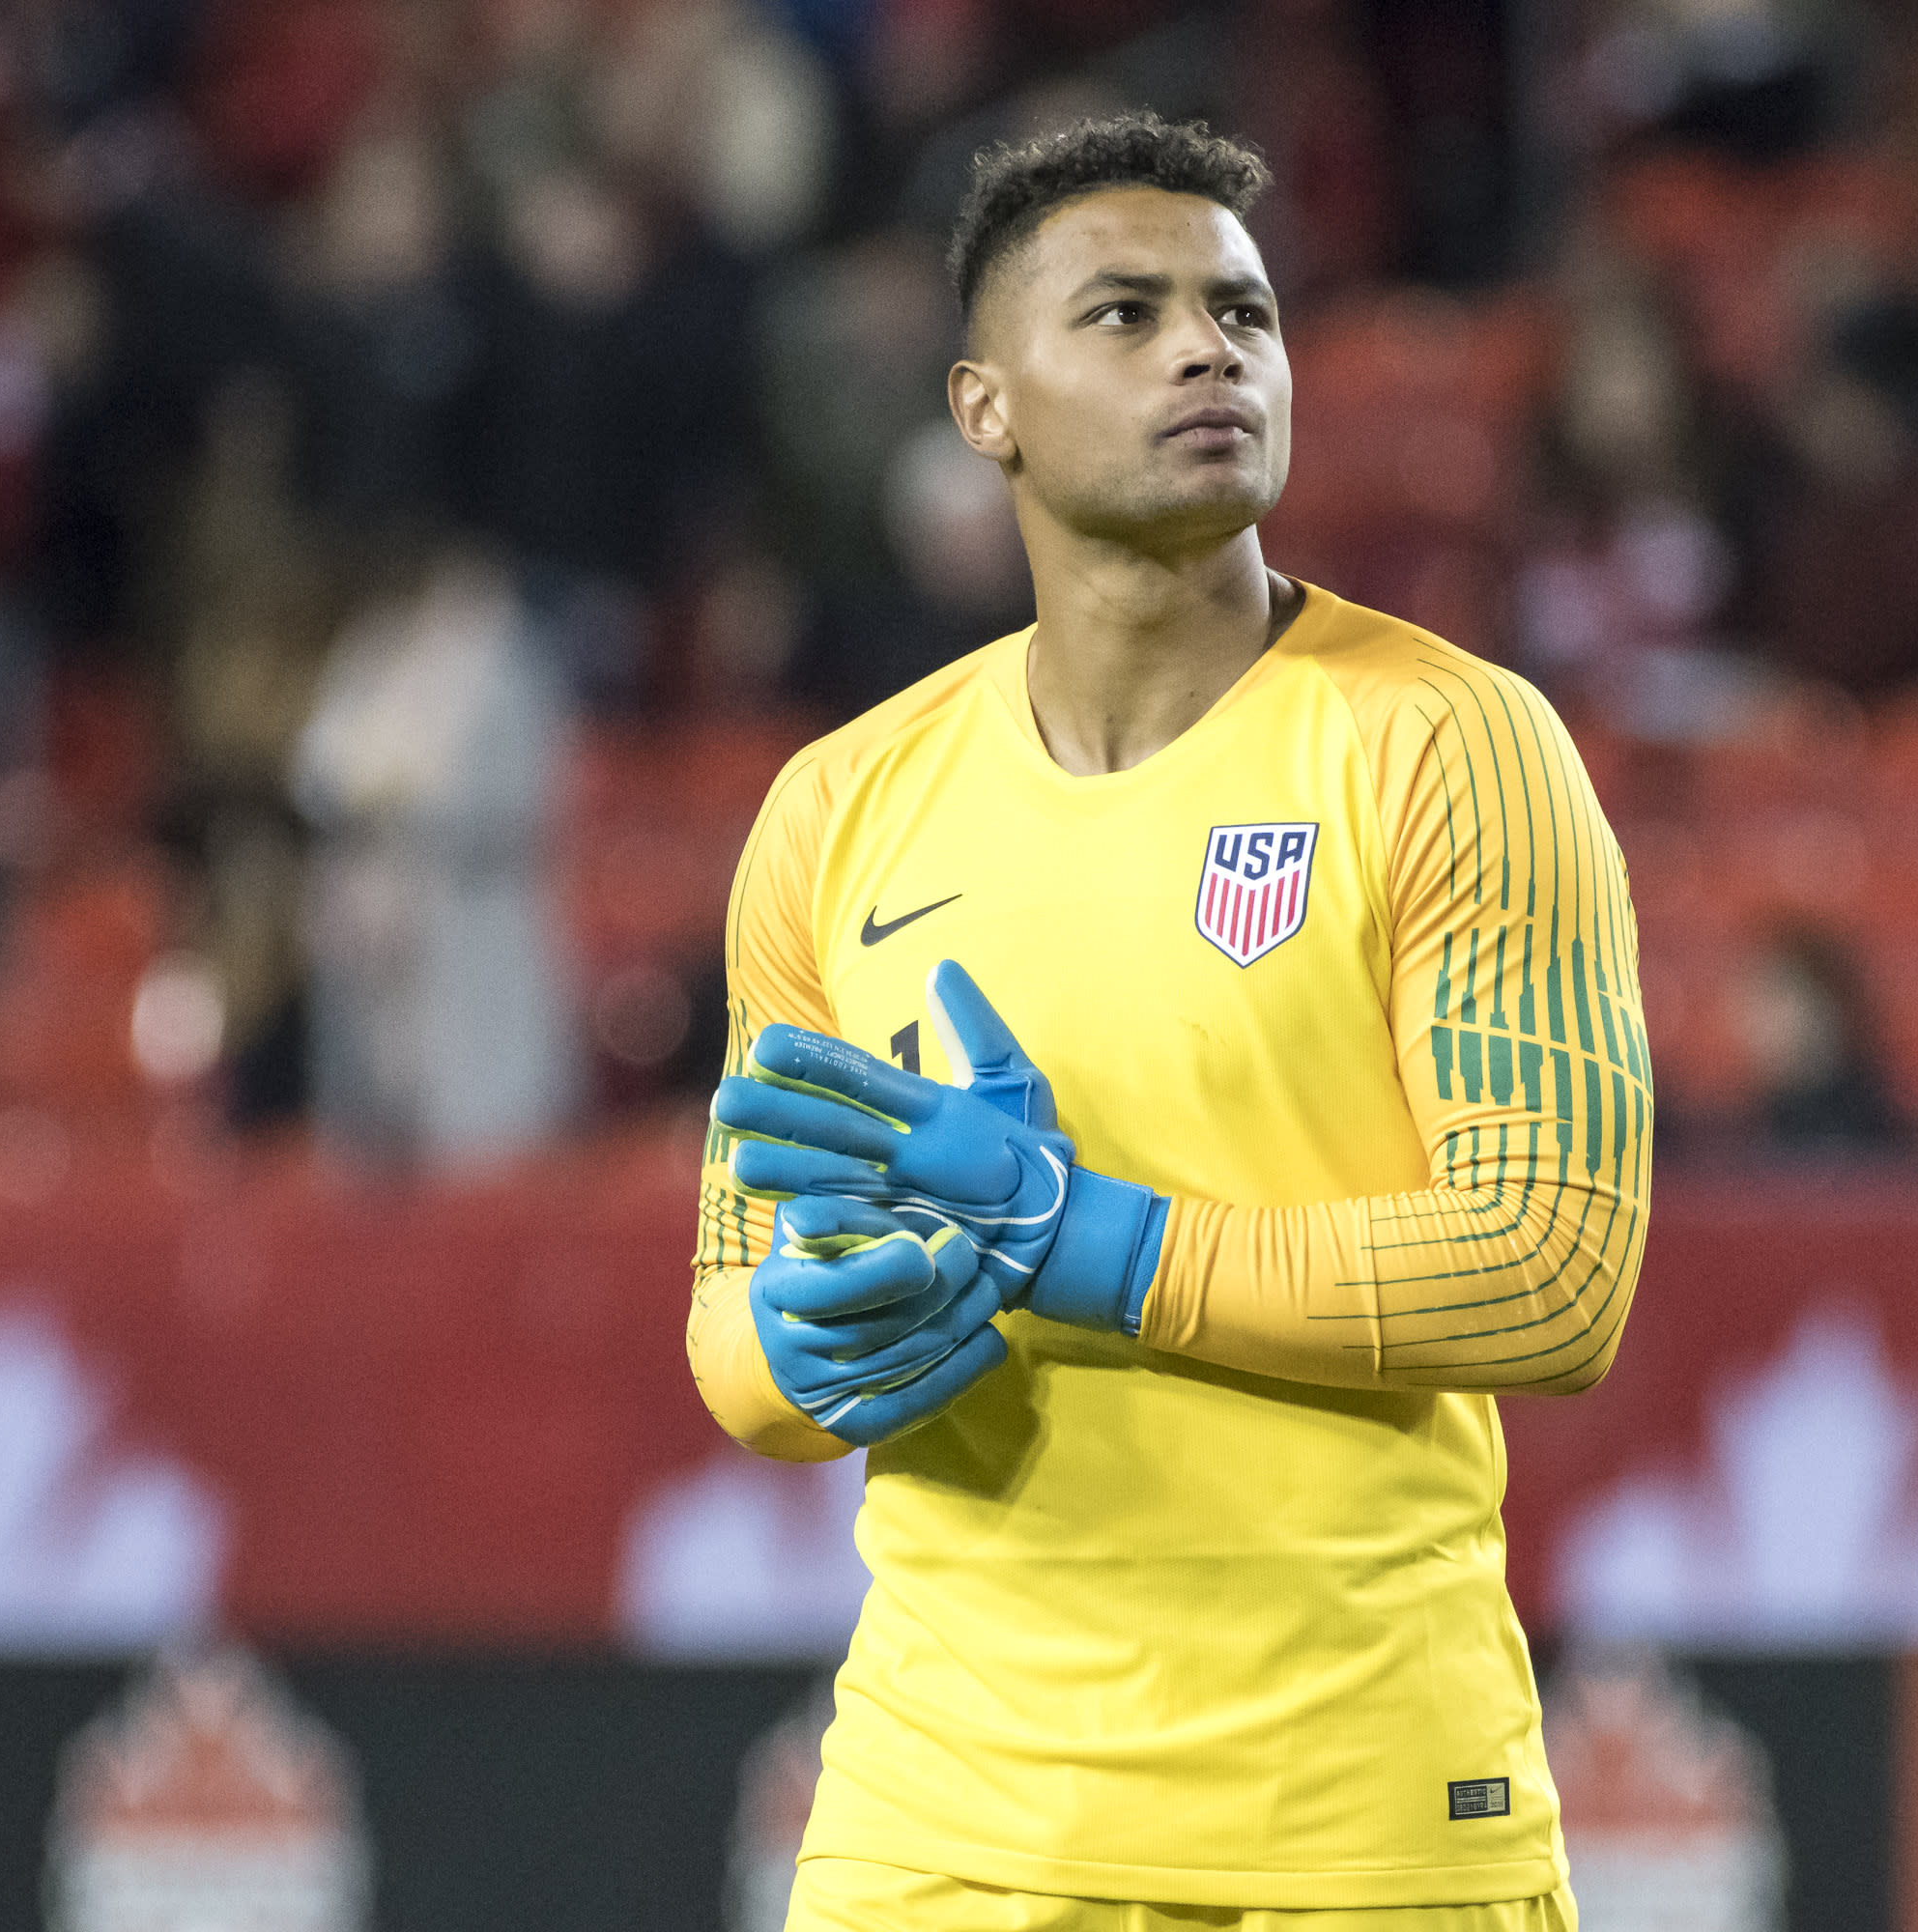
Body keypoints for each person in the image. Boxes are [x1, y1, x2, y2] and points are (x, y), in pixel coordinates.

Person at [689, 113, 1647, 1930]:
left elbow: (1550, 1273)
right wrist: (810, 1348)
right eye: (1124, 314)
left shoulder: (1453, 743)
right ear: (985, 409)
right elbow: (729, 1318)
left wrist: (1084, 1243)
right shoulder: (837, 808)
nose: (1211, 349)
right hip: (943, 1828)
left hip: (1359, 1826)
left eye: (1245, 313)